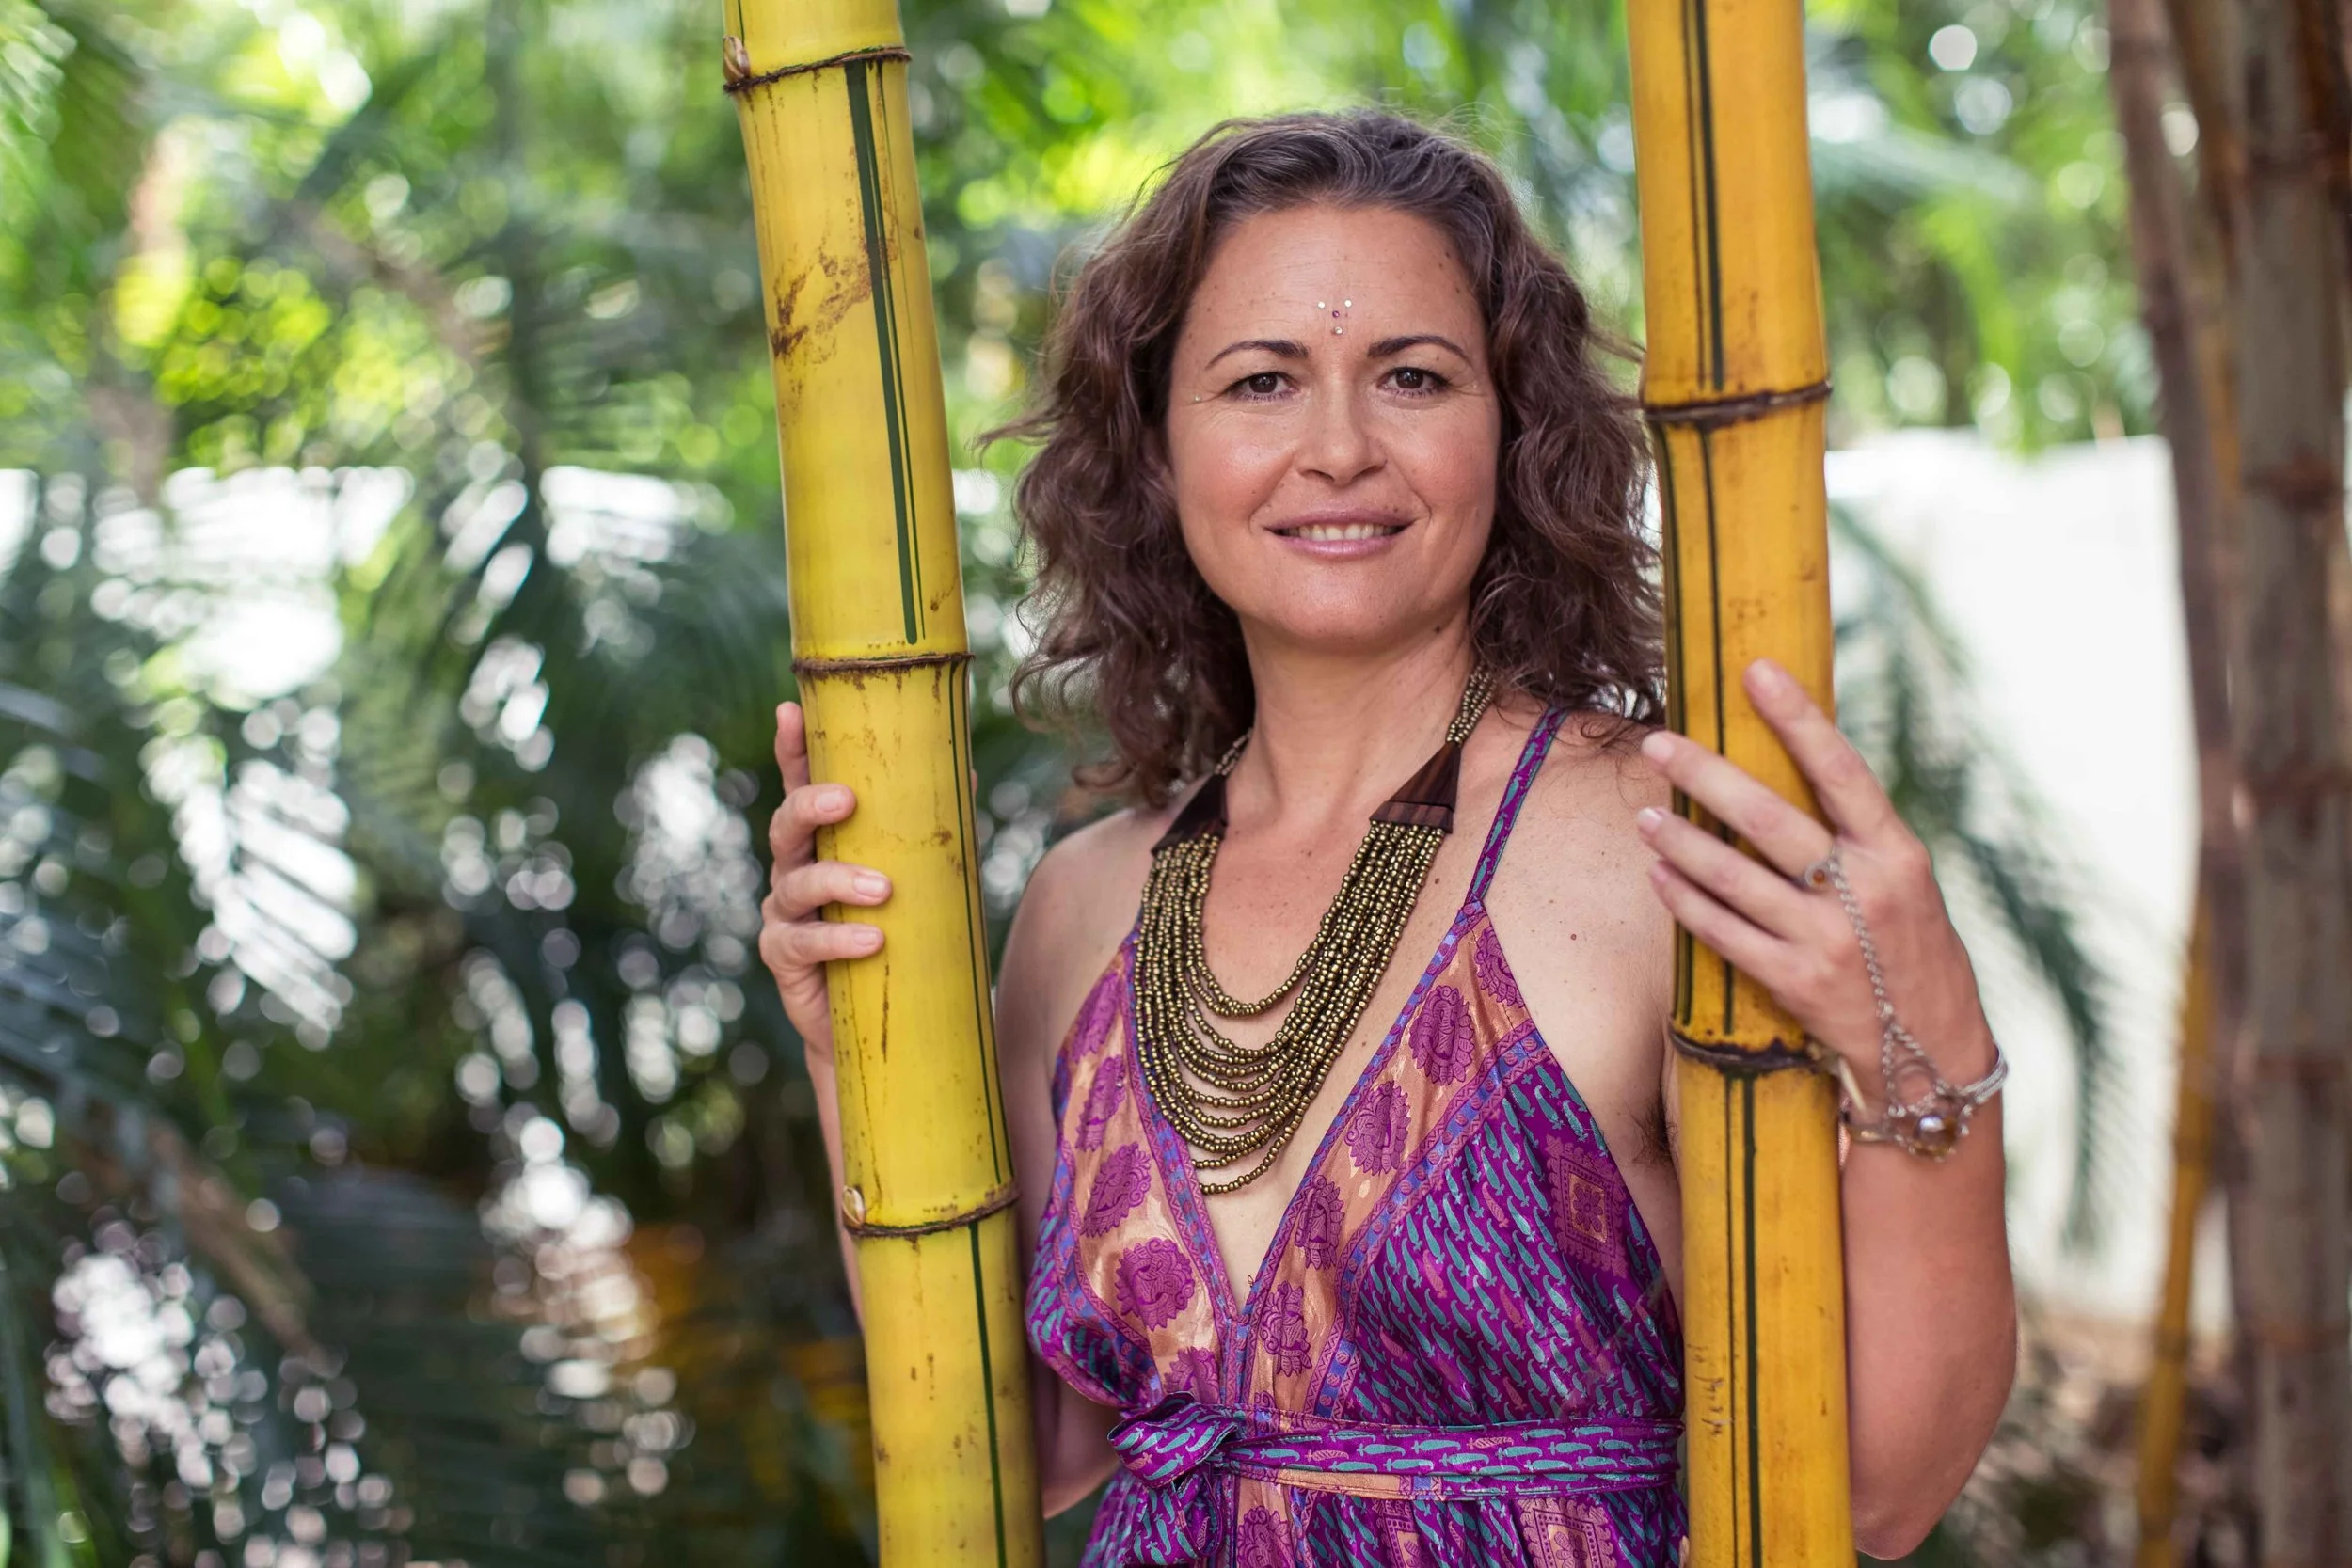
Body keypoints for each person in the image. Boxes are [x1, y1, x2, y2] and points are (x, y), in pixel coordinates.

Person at [758, 110, 2012, 1566]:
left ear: (1512, 427)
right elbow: (1030, 1449)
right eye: (1261, 381)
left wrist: (1927, 1035)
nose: (1341, 449)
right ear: (1156, 446)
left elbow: (1875, 1488)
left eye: (1413, 377)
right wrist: (853, 1053)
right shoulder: (1083, 904)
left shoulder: (1659, 845)